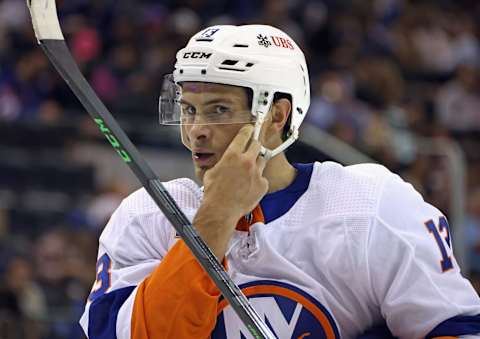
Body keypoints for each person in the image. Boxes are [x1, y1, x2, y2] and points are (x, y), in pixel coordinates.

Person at [79, 25, 480, 339]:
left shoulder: (371, 205)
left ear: (276, 116)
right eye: (188, 110)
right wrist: (216, 216)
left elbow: (455, 330)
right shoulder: (147, 215)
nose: (196, 131)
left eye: (218, 109)